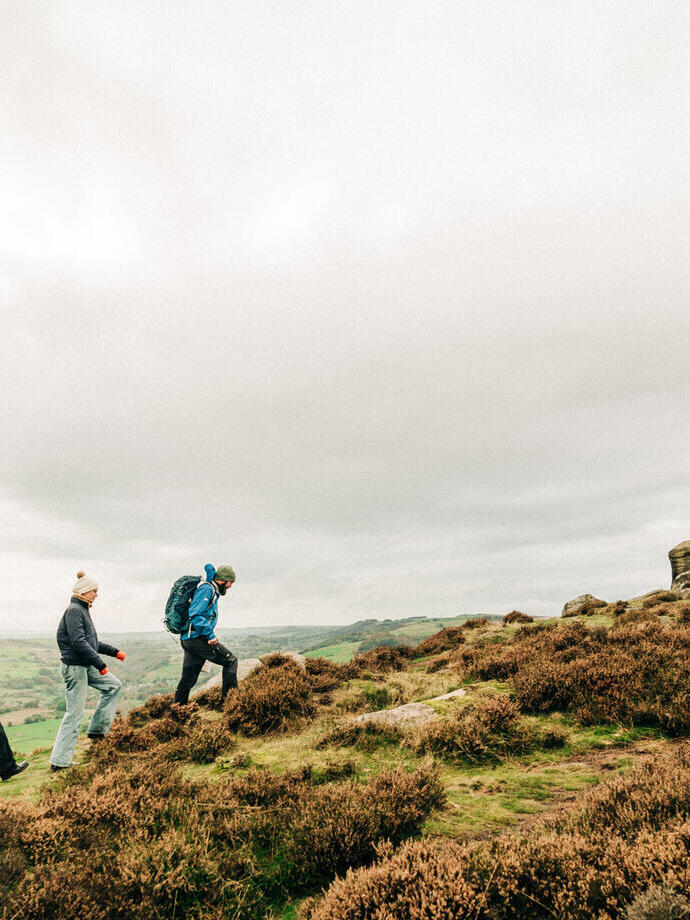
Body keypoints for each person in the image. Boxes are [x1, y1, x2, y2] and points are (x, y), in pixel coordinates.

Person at [49, 571, 126, 771]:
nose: (96, 595)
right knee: (74, 714)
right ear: (84, 591)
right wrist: (100, 664)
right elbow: (79, 642)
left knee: (113, 686)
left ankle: (97, 731)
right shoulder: (74, 610)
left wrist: (114, 652)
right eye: (94, 591)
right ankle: (59, 761)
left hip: (83, 664)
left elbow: (91, 642)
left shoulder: (82, 609)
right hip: (74, 667)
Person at [174, 563, 238, 704]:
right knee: (231, 661)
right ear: (222, 580)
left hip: (189, 638)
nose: (230, 586)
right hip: (197, 638)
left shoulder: (211, 589)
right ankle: (230, 703)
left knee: (188, 678)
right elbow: (196, 614)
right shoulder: (207, 590)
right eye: (230, 582)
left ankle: (177, 710)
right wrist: (210, 636)